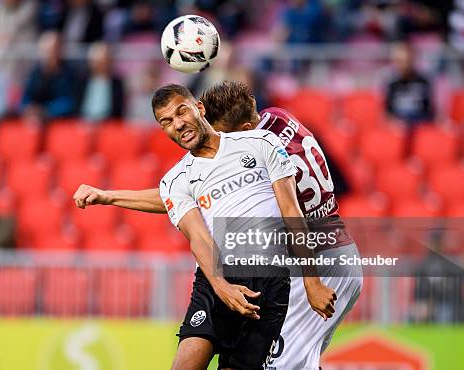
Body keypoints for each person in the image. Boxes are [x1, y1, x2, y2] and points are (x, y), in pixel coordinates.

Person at [74, 81, 363, 370]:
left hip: (311, 260)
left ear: (247, 128)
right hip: (328, 250)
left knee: (280, 365)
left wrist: (110, 196)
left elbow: (282, 209)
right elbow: (187, 200)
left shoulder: (257, 146)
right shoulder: (279, 117)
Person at [21, 31, 79, 123]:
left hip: (62, 125)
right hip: (36, 121)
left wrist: (45, 111)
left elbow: (70, 102)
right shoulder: (35, 73)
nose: (49, 54)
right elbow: (25, 99)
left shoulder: (71, 74)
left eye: (52, 50)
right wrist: (29, 108)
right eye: (46, 50)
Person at [385, 42, 434, 126]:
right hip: (397, 127)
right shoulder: (392, 83)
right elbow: (387, 113)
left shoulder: (424, 81)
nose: (402, 65)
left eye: (405, 61)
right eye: (399, 61)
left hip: (419, 125)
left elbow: (430, 111)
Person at [78, 42, 124, 122]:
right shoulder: (82, 81)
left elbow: (118, 111)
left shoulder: (117, 83)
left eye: (103, 59)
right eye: (97, 60)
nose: (100, 63)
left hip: (108, 126)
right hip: (83, 125)